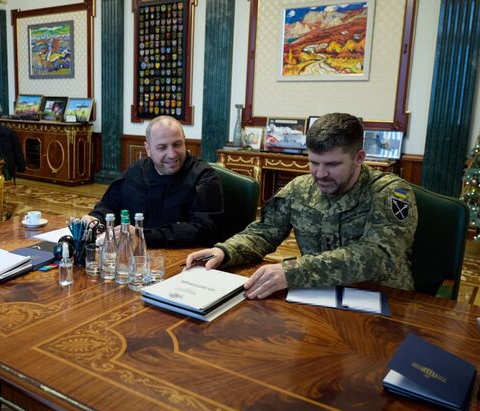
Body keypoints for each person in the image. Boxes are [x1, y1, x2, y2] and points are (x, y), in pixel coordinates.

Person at [186, 113, 417, 299]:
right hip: (316, 298)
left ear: (359, 157)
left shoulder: (390, 192)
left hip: (383, 301)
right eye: (313, 162)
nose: (320, 174)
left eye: (332, 164)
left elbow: (379, 256)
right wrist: (226, 251)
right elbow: (264, 232)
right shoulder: (300, 188)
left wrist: (293, 272)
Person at [83, 115, 223, 247]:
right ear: (148, 149)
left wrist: (143, 236)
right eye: (162, 147)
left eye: (177, 144)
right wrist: (96, 219)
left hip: (184, 257)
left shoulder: (204, 177)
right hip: (133, 255)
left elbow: (203, 230)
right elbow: (109, 205)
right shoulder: (136, 172)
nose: (172, 154)